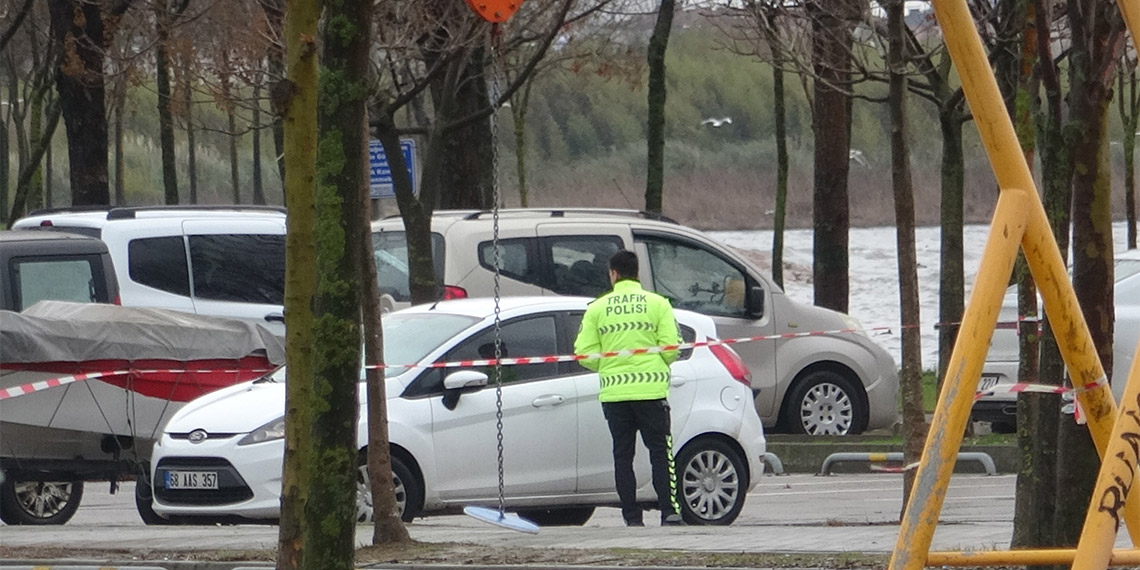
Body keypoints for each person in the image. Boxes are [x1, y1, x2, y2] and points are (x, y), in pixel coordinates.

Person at [573, 250, 684, 527]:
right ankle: (669, 511)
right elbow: (671, 349)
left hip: (615, 395)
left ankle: (631, 518)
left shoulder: (597, 308)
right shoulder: (658, 304)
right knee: (660, 452)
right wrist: (653, 363)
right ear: (638, 273)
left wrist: (610, 368)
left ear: (613, 274)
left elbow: (584, 353)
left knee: (623, 456)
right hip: (651, 393)